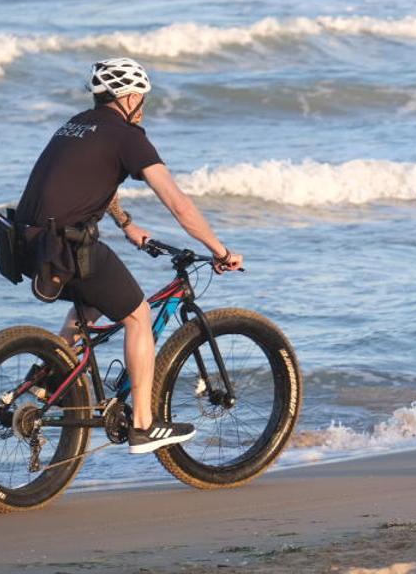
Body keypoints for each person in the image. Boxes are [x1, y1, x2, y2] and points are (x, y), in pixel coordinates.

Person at [15, 57, 244, 454]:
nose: (143, 108)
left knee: (88, 307)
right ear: (130, 96)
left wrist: (125, 224)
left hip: (27, 241)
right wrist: (220, 251)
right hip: (66, 245)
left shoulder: (77, 124)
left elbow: (93, 179)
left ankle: (49, 377)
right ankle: (143, 425)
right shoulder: (127, 135)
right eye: (143, 99)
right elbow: (177, 203)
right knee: (137, 314)